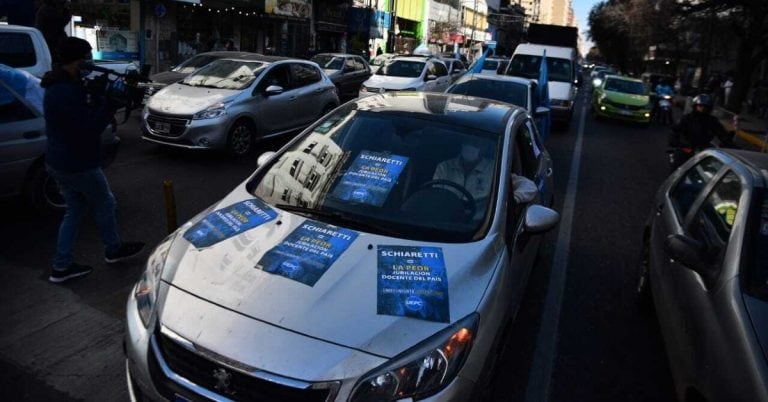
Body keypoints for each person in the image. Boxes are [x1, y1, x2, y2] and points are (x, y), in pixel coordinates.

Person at [41, 37, 144, 283]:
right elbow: (87, 129)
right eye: (85, 58)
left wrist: (97, 95)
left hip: (61, 160)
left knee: (75, 210)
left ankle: (61, 266)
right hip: (76, 163)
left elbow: (84, 112)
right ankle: (113, 249)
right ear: (75, 61)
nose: (89, 63)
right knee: (105, 202)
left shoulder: (63, 84)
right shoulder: (63, 91)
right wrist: (108, 104)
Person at [433, 140, 537, 218]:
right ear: (462, 144)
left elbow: (529, 186)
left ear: (484, 148)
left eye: (476, 144)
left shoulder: (495, 169)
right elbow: (435, 195)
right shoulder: (444, 167)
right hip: (445, 220)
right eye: (469, 142)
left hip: (482, 225)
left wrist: (513, 199)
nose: (471, 147)